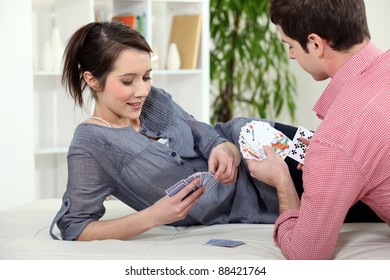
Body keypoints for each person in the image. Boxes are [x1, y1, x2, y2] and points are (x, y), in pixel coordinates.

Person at [50, 20, 304, 241]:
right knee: (339, 195)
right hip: (265, 194)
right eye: (128, 81)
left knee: (336, 162)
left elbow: (203, 132)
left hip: (260, 143)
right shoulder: (91, 145)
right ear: (92, 80)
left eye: (146, 77)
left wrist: (221, 146)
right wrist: (153, 216)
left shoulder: (154, 101)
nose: (142, 91)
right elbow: (75, 226)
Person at [246, 0, 390, 259]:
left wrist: (282, 180)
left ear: (314, 43)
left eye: (290, 45)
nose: (291, 55)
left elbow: (306, 256)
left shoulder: (337, 140)